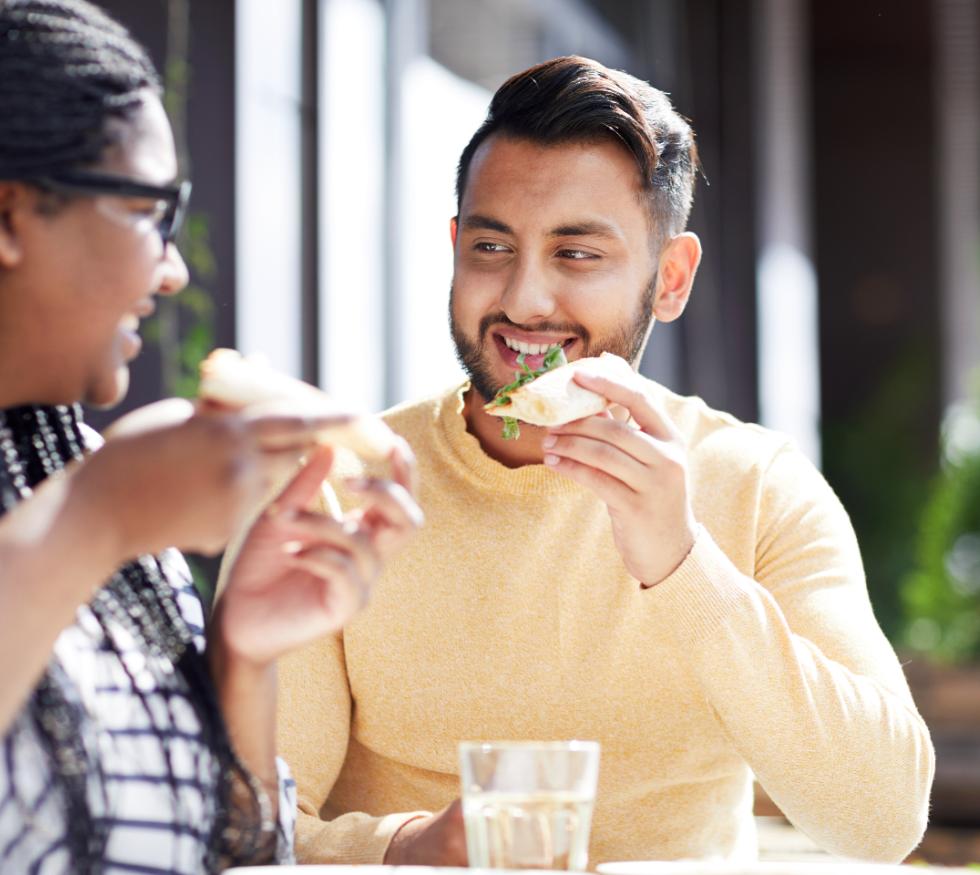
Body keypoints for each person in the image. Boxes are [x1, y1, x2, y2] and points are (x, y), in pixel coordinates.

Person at [276, 55, 935, 866]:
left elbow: (883, 815)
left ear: (671, 278)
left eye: (577, 254)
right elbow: (251, 824)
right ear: (454, 248)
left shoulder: (757, 484)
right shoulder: (336, 484)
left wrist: (683, 564)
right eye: (491, 246)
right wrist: (407, 846)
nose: (523, 299)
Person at [0, 1, 422, 871]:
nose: (175, 268)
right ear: (10, 215)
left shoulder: (96, 481)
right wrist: (97, 514)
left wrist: (242, 654)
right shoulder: (102, 498)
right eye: (152, 211)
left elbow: (231, 853)